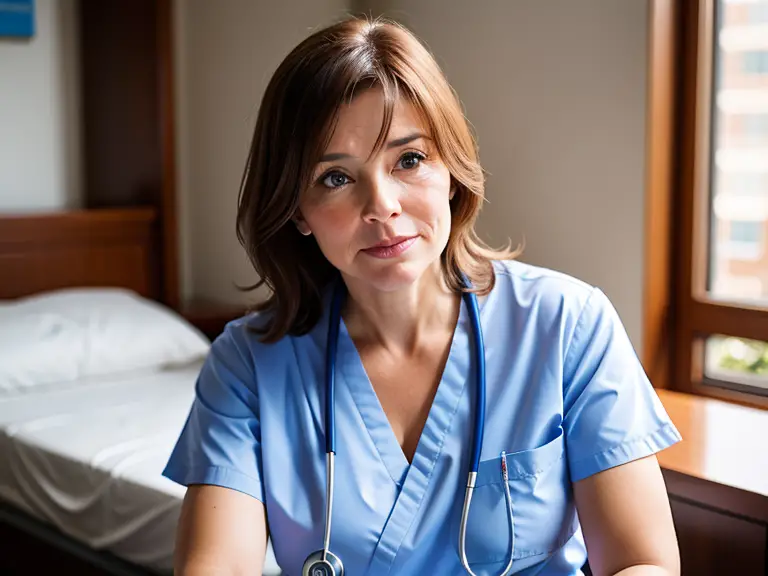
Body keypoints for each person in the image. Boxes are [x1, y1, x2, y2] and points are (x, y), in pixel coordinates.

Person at [163, 16, 682, 576]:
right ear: (297, 210)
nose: (382, 205)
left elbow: (643, 562)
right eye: (335, 178)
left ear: (451, 172)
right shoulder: (248, 365)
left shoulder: (567, 326)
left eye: (409, 160)